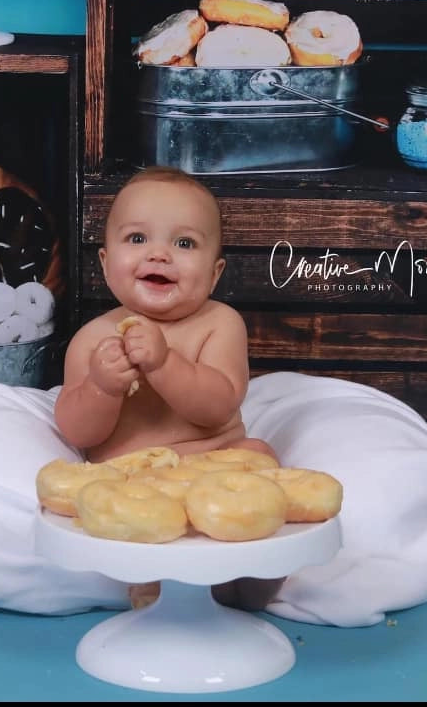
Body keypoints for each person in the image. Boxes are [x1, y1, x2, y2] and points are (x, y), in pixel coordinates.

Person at [53, 165, 280, 609]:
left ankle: (254, 573)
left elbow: (219, 406)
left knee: (260, 456)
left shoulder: (219, 324)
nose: (159, 255)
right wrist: (102, 386)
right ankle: (154, 585)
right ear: (104, 263)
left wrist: (164, 363)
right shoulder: (93, 339)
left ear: (215, 274)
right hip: (135, 479)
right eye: (137, 239)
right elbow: (78, 432)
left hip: (214, 464)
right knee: (102, 497)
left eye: (184, 243)